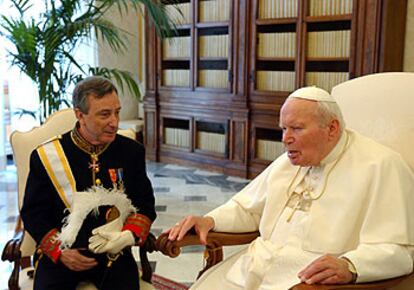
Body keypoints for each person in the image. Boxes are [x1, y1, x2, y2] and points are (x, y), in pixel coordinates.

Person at [166, 86, 414, 289]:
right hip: (255, 267)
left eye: (296, 128)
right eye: (283, 128)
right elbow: (249, 209)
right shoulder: (289, 161)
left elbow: (398, 250)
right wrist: (210, 220)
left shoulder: (381, 165)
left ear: (332, 128)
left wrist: (350, 265)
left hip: (313, 280)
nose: (285, 139)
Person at [21, 76, 156, 290]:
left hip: (113, 253)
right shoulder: (46, 156)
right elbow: (33, 213)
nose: (114, 122)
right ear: (80, 115)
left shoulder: (131, 151)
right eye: (104, 114)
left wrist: (126, 236)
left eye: (117, 112)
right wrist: (60, 252)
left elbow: (144, 204)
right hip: (63, 255)